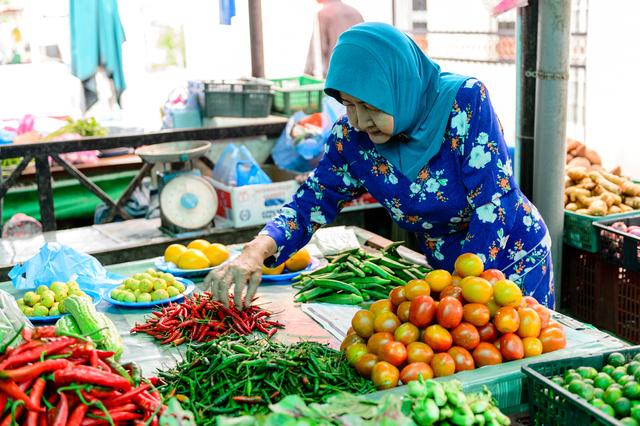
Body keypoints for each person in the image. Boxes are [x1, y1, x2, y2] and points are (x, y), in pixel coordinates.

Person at [205, 22, 554, 310]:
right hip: (445, 273)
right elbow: (309, 203)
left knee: (523, 359)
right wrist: (253, 252)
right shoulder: (350, 138)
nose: (358, 121)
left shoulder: (463, 104)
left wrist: (461, 292)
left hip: (512, 259)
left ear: (398, 86)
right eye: (348, 105)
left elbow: (494, 204)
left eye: (369, 106)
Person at [304, 0, 363, 78]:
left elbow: (316, 53)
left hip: (336, 78)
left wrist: (307, 75)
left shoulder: (322, 14)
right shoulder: (355, 12)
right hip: (359, 74)